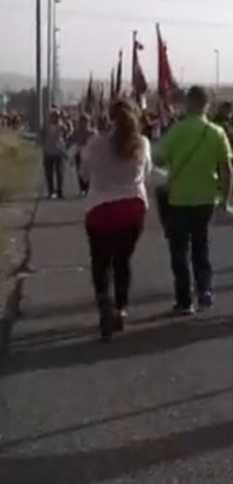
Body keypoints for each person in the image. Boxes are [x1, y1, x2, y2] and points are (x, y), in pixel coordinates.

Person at [154, 86, 233, 315]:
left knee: (179, 251)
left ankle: (184, 299)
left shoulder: (177, 131)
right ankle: (205, 291)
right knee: (201, 247)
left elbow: (158, 159)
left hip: (179, 199)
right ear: (207, 105)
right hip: (206, 199)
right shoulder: (216, 132)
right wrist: (225, 200)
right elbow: (227, 169)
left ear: (187, 104)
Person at [78, 99, 153, 341]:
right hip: (132, 208)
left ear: (109, 117)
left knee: (100, 261)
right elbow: (147, 173)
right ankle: (121, 308)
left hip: (101, 209)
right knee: (123, 259)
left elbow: (84, 173)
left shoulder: (96, 143)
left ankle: (104, 305)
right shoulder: (141, 143)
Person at [41, 109, 68, 198]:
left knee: (60, 172)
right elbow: (42, 135)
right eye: (53, 116)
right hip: (48, 151)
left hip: (59, 151)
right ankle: (51, 191)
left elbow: (67, 133)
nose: (54, 118)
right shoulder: (46, 126)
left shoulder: (62, 125)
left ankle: (60, 191)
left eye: (56, 116)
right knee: (49, 173)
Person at [70, 114, 98, 196]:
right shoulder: (77, 132)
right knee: (80, 171)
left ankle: (89, 187)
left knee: (89, 171)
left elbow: (95, 141)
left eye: (86, 122)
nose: (84, 124)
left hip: (89, 154)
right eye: (82, 122)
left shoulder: (92, 132)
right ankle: (82, 188)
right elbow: (73, 140)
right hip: (79, 153)